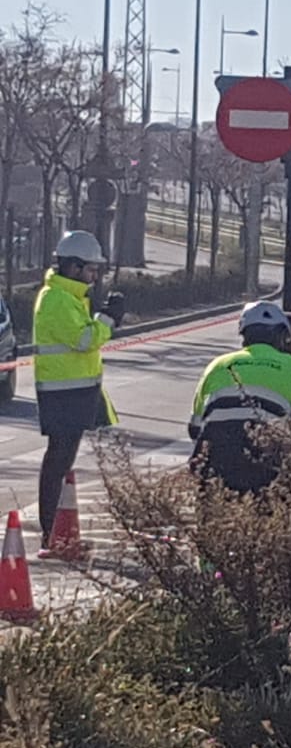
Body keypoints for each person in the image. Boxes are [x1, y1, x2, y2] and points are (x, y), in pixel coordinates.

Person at [33, 231, 122, 553]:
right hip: (63, 394)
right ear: (74, 267)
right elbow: (84, 340)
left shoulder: (69, 297)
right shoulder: (57, 298)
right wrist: (107, 320)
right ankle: (52, 533)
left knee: (61, 462)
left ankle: (57, 533)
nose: (94, 276)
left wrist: (101, 318)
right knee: (58, 462)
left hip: (73, 391)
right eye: (91, 270)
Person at [189, 301, 291, 493]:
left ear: (244, 336)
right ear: (282, 337)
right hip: (265, 465)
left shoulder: (217, 365)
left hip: (215, 465)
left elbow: (195, 428)